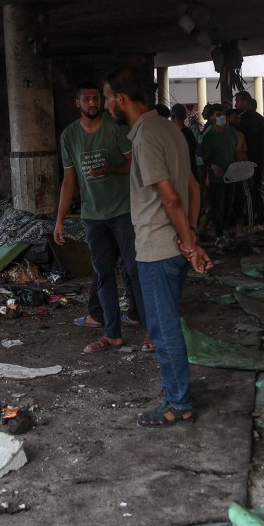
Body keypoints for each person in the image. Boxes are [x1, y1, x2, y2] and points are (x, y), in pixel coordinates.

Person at [104, 69, 212, 427]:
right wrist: (190, 236)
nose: (106, 105)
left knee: (163, 330)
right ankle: (176, 393)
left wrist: (188, 241)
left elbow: (171, 198)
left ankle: (178, 403)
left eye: (107, 98)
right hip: (174, 246)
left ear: (121, 98)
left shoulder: (146, 137)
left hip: (157, 247)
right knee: (165, 324)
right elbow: (193, 187)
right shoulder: (169, 129)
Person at [53, 83, 146, 353]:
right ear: (78, 103)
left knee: (134, 270)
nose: (92, 103)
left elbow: (134, 164)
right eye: (87, 99)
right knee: (103, 274)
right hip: (92, 216)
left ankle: (151, 331)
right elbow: (69, 179)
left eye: (95, 98)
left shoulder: (115, 128)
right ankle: (112, 334)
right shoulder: (69, 135)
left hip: (123, 211)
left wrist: (110, 169)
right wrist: (59, 219)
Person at [200, 103, 246, 240]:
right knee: (217, 206)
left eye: (223, 114)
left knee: (228, 205)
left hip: (231, 175)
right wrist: (213, 166)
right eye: (218, 115)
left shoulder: (231, 133)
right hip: (216, 177)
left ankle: (224, 231)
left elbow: (237, 152)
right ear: (212, 118)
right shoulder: (209, 136)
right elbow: (205, 157)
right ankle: (219, 234)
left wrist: (242, 168)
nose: (222, 117)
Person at [233, 90, 264, 229]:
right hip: (259, 159)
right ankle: (261, 220)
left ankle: (251, 222)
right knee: (257, 189)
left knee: (247, 192)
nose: (236, 104)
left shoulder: (243, 120)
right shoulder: (261, 119)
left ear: (245, 101)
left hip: (247, 160)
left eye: (238, 101)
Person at [169, 104, 202, 183]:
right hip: (192, 173)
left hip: (178, 176)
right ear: (185, 117)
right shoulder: (190, 134)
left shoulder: (171, 135)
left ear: (173, 116)